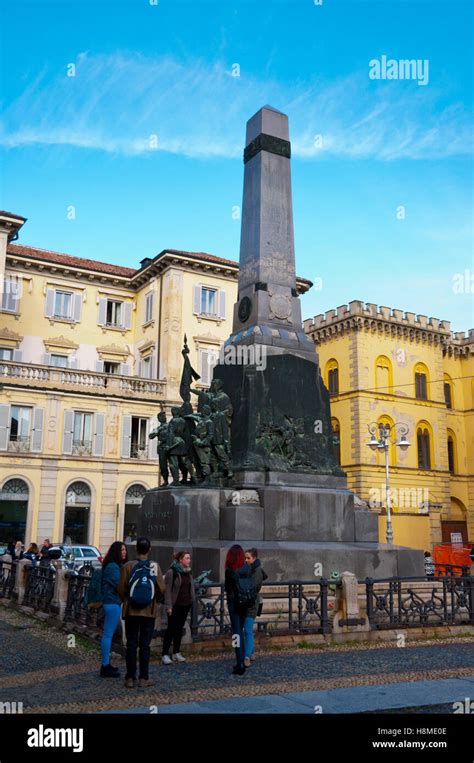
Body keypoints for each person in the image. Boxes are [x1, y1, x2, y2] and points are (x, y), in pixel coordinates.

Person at [118, 537, 165, 689]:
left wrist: (128, 599)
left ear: (136, 549)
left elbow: (121, 588)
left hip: (131, 610)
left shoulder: (128, 566)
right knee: (145, 645)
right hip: (149, 612)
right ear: (149, 549)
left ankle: (130, 678)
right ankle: (144, 678)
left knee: (131, 644)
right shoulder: (154, 566)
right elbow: (161, 588)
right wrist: (153, 600)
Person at [224, 544, 254, 676]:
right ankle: (241, 660)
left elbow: (227, 588)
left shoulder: (229, 570)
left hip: (234, 603)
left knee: (236, 633)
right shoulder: (247, 568)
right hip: (245, 603)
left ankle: (240, 662)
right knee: (240, 631)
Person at [100, 541, 128, 678]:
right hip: (112, 602)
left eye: (125, 550)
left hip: (113, 602)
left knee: (108, 634)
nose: (124, 552)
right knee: (108, 634)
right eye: (122, 550)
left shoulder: (115, 565)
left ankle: (106, 664)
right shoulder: (112, 567)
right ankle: (105, 665)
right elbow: (119, 585)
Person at [162, 551, 195, 665]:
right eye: (187, 558)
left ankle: (176, 652)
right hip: (175, 605)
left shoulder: (188, 572)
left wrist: (192, 600)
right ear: (180, 560)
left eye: (189, 558)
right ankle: (165, 653)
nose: (189, 560)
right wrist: (169, 606)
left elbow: (190, 587)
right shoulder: (172, 572)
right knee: (171, 629)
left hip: (185, 605)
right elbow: (167, 590)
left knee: (179, 629)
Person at [243, 548, 267, 667]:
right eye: (245, 558)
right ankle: (251, 653)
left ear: (254, 558)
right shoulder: (249, 569)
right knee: (247, 630)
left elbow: (252, 587)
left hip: (251, 603)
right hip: (246, 602)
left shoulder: (256, 571)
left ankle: (246, 656)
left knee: (247, 630)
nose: (246, 560)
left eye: (248, 558)